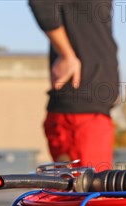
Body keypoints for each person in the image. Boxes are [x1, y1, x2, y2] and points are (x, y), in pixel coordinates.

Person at [29, 0, 119, 171]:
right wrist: (66, 54)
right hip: (80, 115)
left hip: (91, 111)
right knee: (91, 192)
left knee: (85, 192)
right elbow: (41, 3)